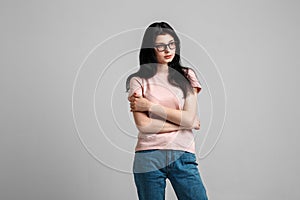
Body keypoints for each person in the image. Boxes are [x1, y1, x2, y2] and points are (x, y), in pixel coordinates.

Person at [126, 21, 208, 200]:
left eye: (172, 44)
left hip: (183, 154)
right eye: (160, 46)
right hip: (149, 157)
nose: (168, 50)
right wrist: (187, 122)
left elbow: (188, 119)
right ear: (150, 48)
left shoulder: (187, 76)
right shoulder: (137, 80)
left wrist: (150, 106)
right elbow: (145, 126)